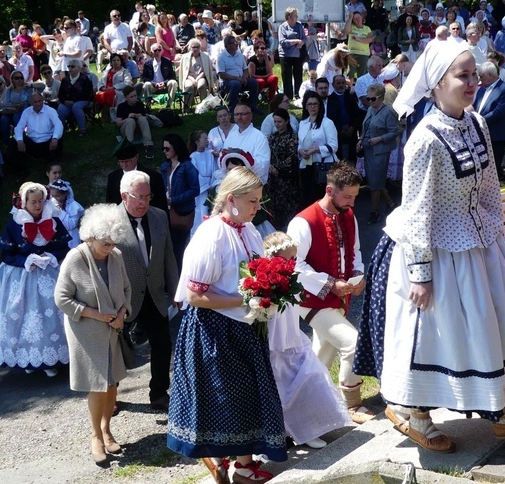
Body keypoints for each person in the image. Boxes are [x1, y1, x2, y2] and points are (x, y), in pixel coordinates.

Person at [355, 41, 505, 454]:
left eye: (472, 73)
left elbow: (486, 189)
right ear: (437, 84)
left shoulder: (477, 122)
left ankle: (504, 411)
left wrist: (500, 230)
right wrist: (421, 275)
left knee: (496, 322)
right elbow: (418, 213)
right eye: (462, 76)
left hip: (477, 246)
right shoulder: (425, 140)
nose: (472, 81)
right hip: (432, 251)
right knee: (431, 335)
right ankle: (414, 415)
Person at [167, 167, 287, 483]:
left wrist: (268, 292)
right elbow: (194, 295)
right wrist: (245, 300)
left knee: (248, 395)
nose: (257, 207)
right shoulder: (211, 236)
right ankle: (219, 456)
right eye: (252, 201)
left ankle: (244, 466)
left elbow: (255, 276)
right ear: (231, 199)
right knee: (226, 396)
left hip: (244, 327)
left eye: (259, 200)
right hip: (213, 329)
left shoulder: (248, 230)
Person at [287, 163, 374, 424]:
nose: (351, 202)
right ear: (329, 190)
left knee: (319, 359)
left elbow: (355, 250)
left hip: (336, 297)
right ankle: (352, 403)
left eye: (355, 196)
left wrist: (358, 276)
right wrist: (330, 283)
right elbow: (294, 265)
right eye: (347, 196)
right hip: (311, 299)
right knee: (352, 343)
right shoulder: (303, 221)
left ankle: (299, 410)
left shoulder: (347, 213)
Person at [54, 203, 132, 465]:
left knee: (111, 383)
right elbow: (61, 299)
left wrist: (122, 313)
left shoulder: (116, 256)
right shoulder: (76, 257)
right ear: (91, 236)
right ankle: (96, 436)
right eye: (105, 244)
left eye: (113, 243)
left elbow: (127, 290)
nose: (110, 249)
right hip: (86, 331)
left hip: (112, 330)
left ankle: (108, 430)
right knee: (97, 384)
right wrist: (96, 314)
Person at [262, 231, 352, 450]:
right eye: (287, 259)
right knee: (281, 385)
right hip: (276, 341)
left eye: (294, 259)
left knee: (311, 376)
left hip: (294, 337)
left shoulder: (294, 276)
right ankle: (287, 431)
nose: (292, 264)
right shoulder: (266, 281)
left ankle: (309, 426)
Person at [0, 182, 71, 377]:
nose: (37, 206)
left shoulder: (53, 221)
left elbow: (64, 247)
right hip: (22, 277)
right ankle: (26, 358)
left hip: (50, 274)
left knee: (52, 315)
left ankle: (50, 358)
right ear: (24, 202)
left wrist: (53, 257)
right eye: (32, 202)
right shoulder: (14, 224)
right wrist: (25, 260)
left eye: (40, 202)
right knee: (24, 315)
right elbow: (6, 255)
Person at [114, 170, 179, 411]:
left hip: (153, 291)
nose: (143, 202)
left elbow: (168, 255)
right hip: (123, 295)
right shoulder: (110, 221)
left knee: (163, 343)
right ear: (124, 196)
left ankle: (159, 393)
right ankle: (112, 394)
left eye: (147, 196)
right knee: (117, 347)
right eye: (138, 197)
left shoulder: (160, 216)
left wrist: (175, 288)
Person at [357, 83, 400, 225]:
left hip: (380, 151)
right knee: (374, 180)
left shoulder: (388, 112)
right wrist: (361, 140)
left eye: (373, 99)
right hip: (369, 150)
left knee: (375, 183)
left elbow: (395, 131)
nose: (370, 102)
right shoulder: (370, 109)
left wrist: (380, 139)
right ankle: (390, 202)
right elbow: (366, 127)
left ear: (381, 97)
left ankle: (374, 211)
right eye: (368, 99)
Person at [160, 133, 200, 271]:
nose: (164, 151)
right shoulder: (165, 166)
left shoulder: (187, 166)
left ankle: (180, 278)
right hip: (167, 211)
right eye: (163, 149)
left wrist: (174, 200)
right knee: (168, 248)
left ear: (176, 148)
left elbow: (195, 189)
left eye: (167, 148)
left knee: (178, 248)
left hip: (182, 212)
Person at [298, 92, 340, 207]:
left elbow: (334, 146)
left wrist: (315, 150)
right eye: (309, 104)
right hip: (306, 166)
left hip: (323, 167)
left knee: (322, 199)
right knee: (308, 199)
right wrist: (301, 151)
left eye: (315, 104)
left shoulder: (327, 123)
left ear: (320, 105)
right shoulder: (302, 123)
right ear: (305, 106)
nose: (312, 107)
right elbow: (300, 144)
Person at [474, 60, 505, 179]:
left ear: (490, 75)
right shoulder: (481, 89)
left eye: (481, 76)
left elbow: (499, 112)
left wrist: (480, 121)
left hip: (496, 134)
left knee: (494, 167)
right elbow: (476, 107)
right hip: (482, 133)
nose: (480, 80)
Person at [13, 93, 64, 178]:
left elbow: (58, 125)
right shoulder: (27, 112)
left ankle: (51, 167)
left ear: (43, 100)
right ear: (31, 103)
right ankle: (21, 170)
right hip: (32, 143)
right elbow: (19, 127)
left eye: (40, 101)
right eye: (35, 102)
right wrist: (20, 141)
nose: (38, 104)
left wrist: (55, 138)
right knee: (14, 143)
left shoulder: (50, 111)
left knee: (59, 138)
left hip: (48, 143)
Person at [266, 108, 301, 230]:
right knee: (275, 206)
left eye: (279, 122)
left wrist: (278, 168)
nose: (277, 124)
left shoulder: (292, 137)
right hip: (273, 179)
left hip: (287, 178)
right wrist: (270, 166)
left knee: (288, 206)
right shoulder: (273, 137)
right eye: (275, 122)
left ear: (287, 121)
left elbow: (292, 156)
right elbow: (267, 154)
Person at [106, 143, 167, 211]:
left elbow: (162, 205)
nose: (124, 165)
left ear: (136, 157)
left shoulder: (154, 177)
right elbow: (110, 204)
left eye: (127, 161)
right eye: (121, 162)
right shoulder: (113, 177)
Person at [222, 103, 270, 185]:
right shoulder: (232, 135)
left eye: (243, 114)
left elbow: (263, 164)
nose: (239, 117)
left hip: (250, 184)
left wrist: (244, 158)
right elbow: (223, 157)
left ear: (251, 116)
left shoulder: (259, 137)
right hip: (232, 182)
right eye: (237, 114)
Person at [217, 34, 260, 114]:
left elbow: (245, 69)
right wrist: (237, 79)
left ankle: (253, 106)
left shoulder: (239, 55)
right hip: (227, 82)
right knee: (235, 84)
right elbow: (221, 74)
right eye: (234, 43)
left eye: (236, 43)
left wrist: (244, 78)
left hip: (241, 80)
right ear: (228, 46)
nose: (236, 44)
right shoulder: (221, 57)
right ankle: (232, 109)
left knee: (253, 82)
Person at [327, 74, 362, 164]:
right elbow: (330, 117)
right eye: (338, 83)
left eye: (343, 83)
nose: (341, 85)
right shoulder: (330, 99)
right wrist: (339, 130)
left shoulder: (350, 96)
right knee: (340, 157)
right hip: (337, 132)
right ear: (333, 84)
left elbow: (356, 114)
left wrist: (352, 127)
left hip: (351, 130)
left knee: (351, 156)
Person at [188, 130, 217, 234]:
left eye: (207, 138)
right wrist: (205, 186)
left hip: (210, 186)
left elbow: (214, 170)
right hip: (201, 190)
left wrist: (213, 185)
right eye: (204, 139)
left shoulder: (209, 155)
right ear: (197, 142)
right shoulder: (193, 157)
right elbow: (195, 174)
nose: (207, 141)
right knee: (200, 211)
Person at [57, 59, 93, 138]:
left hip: (83, 100)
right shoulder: (65, 80)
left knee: (76, 106)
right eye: (68, 66)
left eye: (72, 67)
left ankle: (83, 130)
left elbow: (87, 94)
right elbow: (60, 94)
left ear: (79, 68)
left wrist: (74, 102)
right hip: (67, 102)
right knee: (60, 108)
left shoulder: (85, 79)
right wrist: (65, 101)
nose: (70, 69)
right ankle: (61, 130)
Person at [178, 39, 214, 110]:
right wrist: (193, 80)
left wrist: (197, 79)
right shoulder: (185, 57)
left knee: (201, 85)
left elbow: (205, 71)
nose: (195, 49)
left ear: (200, 47)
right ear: (190, 48)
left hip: (201, 77)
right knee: (188, 86)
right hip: (189, 77)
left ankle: (204, 106)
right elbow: (185, 72)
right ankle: (186, 107)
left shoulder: (205, 56)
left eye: (197, 47)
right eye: (193, 47)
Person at [278, 7, 307, 100]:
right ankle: (288, 96)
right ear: (290, 17)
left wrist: (302, 42)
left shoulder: (299, 25)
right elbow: (282, 41)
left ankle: (298, 95)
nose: (297, 17)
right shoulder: (282, 27)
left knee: (298, 75)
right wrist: (295, 41)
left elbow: (304, 38)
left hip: (297, 55)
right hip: (285, 55)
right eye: (295, 15)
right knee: (287, 76)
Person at [139, 43, 179, 108]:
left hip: (165, 85)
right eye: (155, 50)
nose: (157, 52)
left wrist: (164, 83)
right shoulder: (147, 63)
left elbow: (172, 76)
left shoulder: (167, 61)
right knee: (146, 85)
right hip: (153, 86)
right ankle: (148, 107)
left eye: (159, 50)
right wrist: (155, 84)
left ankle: (168, 105)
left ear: (162, 51)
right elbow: (144, 77)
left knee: (173, 83)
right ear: (152, 52)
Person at [48, 179, 84, 248]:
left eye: (58, 196)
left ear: (65, 194)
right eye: (53, 196)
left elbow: (71, 225)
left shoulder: (73, 205)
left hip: (72, 237)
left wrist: (60, 210)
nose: (55, 198)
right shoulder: (52, 204)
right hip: (58, 236)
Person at [95, 54, 133, 119]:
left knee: (106, 95)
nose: (116, 62)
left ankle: (105, 116)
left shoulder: (124, 72)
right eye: (114, 60)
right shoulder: (107, 71)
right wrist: (102, 87)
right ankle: (96, 114)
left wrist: (114, 87)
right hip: (105, 90)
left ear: (121, 62)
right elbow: (100, 81)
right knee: (98, 95)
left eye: (118, 60)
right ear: (111, 62)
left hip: (118, 91)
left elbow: (127, 82)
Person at [0, 70, 31, 144]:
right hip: (13, 110)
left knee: (16, 117)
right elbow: (6, 103)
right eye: (16, 78)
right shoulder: (9, 90)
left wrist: (31, 85)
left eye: (21, 78)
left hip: (24, 111)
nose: (19, 80)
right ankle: (7, 143)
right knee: (4, 119)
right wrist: (14, 105)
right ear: (12, 79)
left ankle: (21, 140)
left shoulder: (27, 87)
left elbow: (30, 100)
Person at [345, 12, 373, 79]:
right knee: (350, 73)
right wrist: (350, 18)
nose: (357, 19)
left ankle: (361, 87)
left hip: (364, 54)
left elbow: (369, 40)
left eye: (358, 18)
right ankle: (350, 88)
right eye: (355, 18)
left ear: (362, 18)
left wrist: (357, 39)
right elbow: (347, 31)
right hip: (352, 53)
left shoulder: (367, 28)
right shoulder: (351, 27)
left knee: (362, 73)